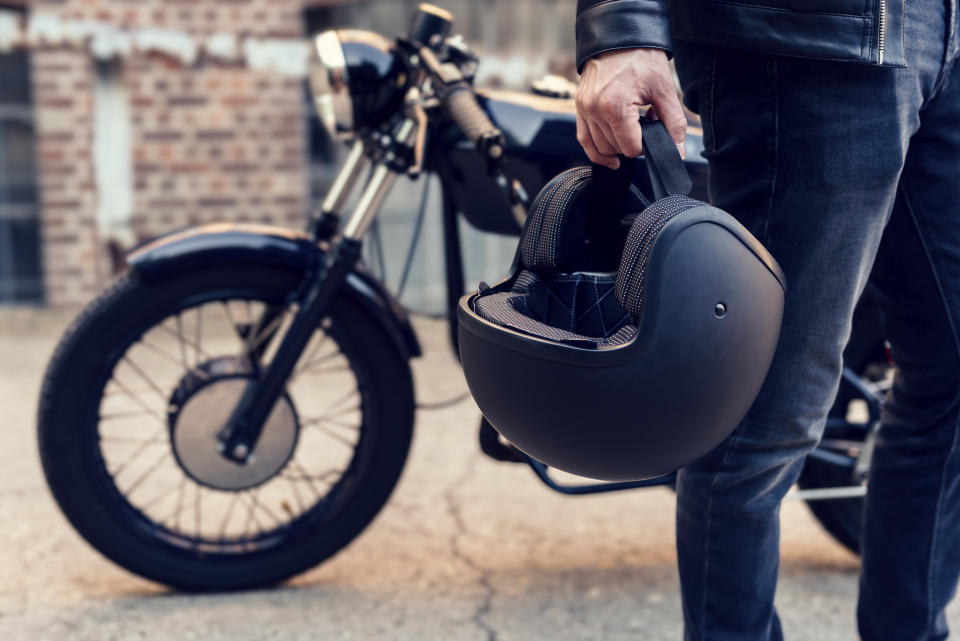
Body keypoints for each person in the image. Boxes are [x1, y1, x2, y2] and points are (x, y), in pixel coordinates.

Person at [572, 1, 960, 639]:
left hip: (942, 33)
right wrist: (622, 26)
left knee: (950, 372)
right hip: (811, 38)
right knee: (759, 418)